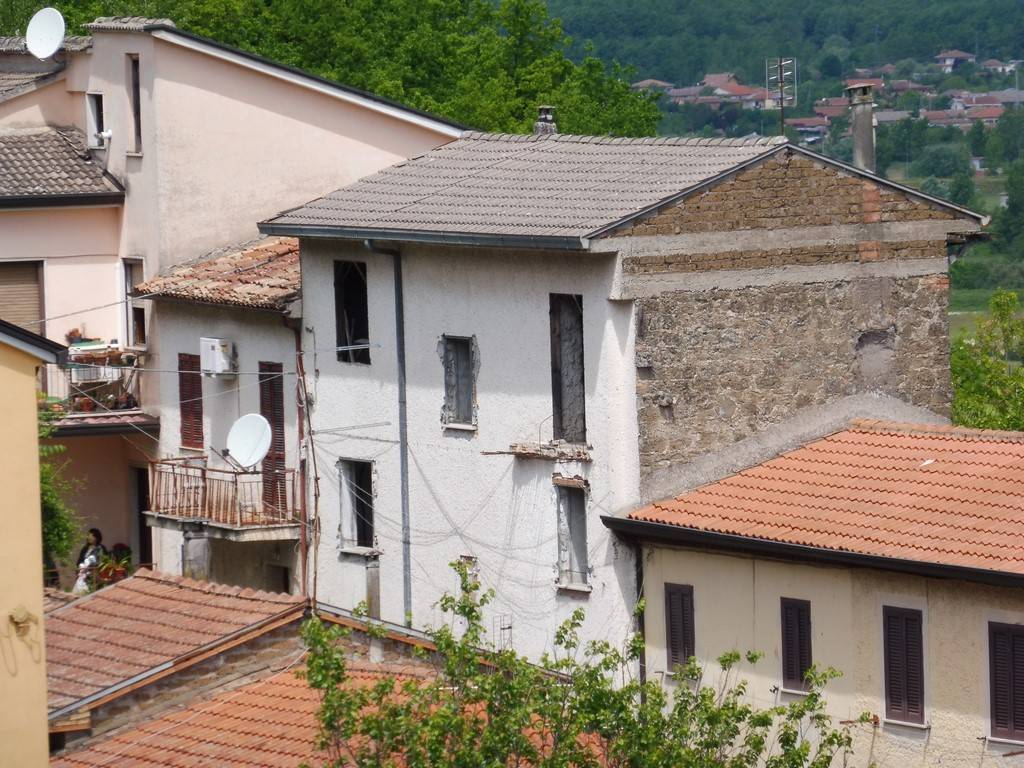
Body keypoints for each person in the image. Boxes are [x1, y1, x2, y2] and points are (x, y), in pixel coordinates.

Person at [73, 529, 107, 595]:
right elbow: (80, 560)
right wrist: (80, 567)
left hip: (97, 576)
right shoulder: (85, 548)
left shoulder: (101, 548)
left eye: (91, 536)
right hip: (85, 575)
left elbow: (104, 561)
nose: (89, 537)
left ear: (97, 537)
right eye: (88, 536)